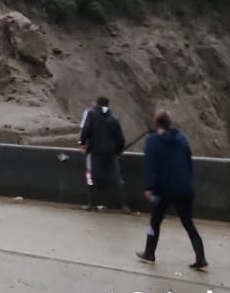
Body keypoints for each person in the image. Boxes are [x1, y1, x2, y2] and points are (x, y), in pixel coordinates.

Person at [134, 110, 207, 271]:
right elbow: (188, 162)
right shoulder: (182, 138)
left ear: (156, 123)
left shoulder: (153, 141)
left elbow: (150, 166)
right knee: (188, 223)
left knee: (155, 221)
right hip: (184, 188)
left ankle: (149, 253)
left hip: (164, 190)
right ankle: (201, 257)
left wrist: (149, 187)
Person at [79, 95, 131, 212]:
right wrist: (118, 151)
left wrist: (83, 144)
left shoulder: (91, 114)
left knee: (92, 177)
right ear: (108, 105)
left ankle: (91, 204)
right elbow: (121, 139)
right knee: (117, 179)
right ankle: (124, 205)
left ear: (96, 103)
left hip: (95, 152)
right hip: (111, 153)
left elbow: (86, 130)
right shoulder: (114, 118)